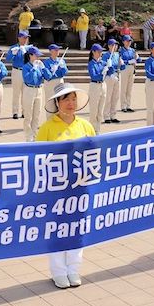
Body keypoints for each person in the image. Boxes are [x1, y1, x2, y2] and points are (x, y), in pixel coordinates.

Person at [37, 83, 95, 289]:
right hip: (56, 190)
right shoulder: (47, 128)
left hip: (80, 188)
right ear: (57, 103)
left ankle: (74, 268)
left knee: (77, 228)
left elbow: (94, 155)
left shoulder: (85, 125)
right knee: (57, 228)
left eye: (73, 99)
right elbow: (38, 159)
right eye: (65, 99)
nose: (71, 103)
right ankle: (58, 271)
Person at [21, 46, 50, 141]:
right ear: (30, 55)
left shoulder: (39, 66)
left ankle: (34, 135)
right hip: (29, 89)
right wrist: (33, 68)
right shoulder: (26, 67)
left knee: (37, 114)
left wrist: (44, 68)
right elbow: (27, 79)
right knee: (28, 115)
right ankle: (28, 136)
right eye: (36, 55)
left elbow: (48, 77)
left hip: (39, 90)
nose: (38, 57)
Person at [87, 43, 110, 133]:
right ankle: (92, 130)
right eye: (99, 51)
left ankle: (98, 130)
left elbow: (110, 72)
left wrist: (110, 66)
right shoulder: (91, 63)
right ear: (93, 52)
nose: (100, 53)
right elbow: (94, 76)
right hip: (94, 86)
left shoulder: (102, 62)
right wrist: (102, 72)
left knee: (100, 110)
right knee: (94, 111)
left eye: (101, 51)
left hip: (103, 85)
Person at [6, 31, 30, 119]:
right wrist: (13, 54)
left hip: (26, 71)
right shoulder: (14, 48)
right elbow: (8, 59)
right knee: (16, 92)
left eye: (26, 38)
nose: (25, 40)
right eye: (24, 38)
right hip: (17, 70)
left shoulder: (28, 48)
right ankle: (15, 112)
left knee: (26, 93)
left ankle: (24, 111)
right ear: (19, 38)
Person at [43, 44, 69, 117]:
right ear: (51, 51)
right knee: (50, 102)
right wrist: (51, 71)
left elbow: (65, 73)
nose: (58, 51)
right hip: (50, 83)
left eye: (58, 50)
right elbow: (47, 76)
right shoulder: (46, 62)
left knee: (60, 101)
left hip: (59, 81)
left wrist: (62, 67)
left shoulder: (61, 61)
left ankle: (59, 119)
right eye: (56, 50)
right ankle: (50, 120)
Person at [103, 39, 123, 123]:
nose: (115, 47)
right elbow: (103, 65)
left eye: (116, 45)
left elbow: (120, 67)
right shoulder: (106, 55)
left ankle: (113, 115)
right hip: (109, 76)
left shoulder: (117, 55)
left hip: (116, 75)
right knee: (108, 97)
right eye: (113, 45)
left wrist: (122, 64)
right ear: (109, 46)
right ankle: (106, 116)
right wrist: (107, 65)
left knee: (115, 97)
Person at [118, 35, 140, 113]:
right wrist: (128, 61)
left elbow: (139, 59)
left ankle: (128, 105)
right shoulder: (121, 50)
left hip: (132, 68)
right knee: (124, 88)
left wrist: (137, 58)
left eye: (129, 41)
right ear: (123, 41)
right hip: (125, 68)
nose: (128, 43)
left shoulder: (132, 50)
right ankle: (123, 106)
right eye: (127, 41)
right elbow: (120, 60)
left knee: (129, 88)